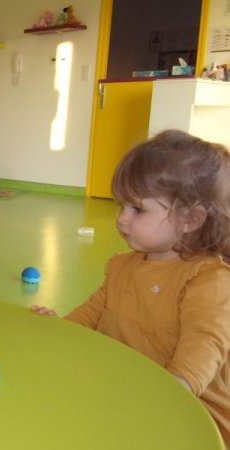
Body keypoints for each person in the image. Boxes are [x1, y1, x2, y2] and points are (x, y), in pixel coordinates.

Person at [32, 130, 230, 447]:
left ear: (190, 218)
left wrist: (164, 393)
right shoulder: (123, 266)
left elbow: (199, 357)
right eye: (121, 206)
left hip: (192, 417)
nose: (122, 220)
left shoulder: (209, 280)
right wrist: (56, 329)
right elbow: (91, 316)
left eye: (137, 210)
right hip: (127, 395)